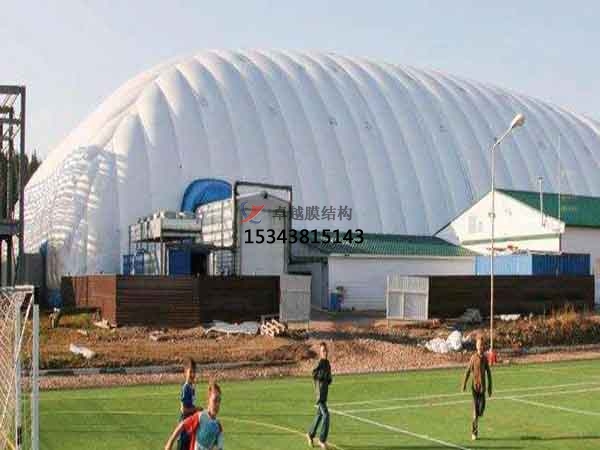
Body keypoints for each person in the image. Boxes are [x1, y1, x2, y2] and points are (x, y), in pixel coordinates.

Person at [165, 382, 224, 450]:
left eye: (219, 401)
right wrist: (170, 442)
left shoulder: (218, 426)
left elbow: (219, 447)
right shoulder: (201, 416)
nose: (217, 404)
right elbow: (183, 424)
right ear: (208, 400)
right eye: (215, 400)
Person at [462, 336, 493, 440]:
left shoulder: (485, 358)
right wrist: (464, 384)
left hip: (482, 389)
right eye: (479, 345)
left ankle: (478, 414)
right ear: (476, 346)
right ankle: (474, 432)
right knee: (475, 413)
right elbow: (467, 371)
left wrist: (490, 387)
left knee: (481, 410)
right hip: (475, 388)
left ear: (483, 346)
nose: (480, 346)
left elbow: (488, 373)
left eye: (482, 345)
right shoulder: (473, 358)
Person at [307, 342, 332, 449]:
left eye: (326, 350)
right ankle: (322, 440)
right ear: (320, 352)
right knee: (326, 415)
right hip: (319, 396)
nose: (325, 352)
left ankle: (310, 434)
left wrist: (329, 378)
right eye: (323, 351)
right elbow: (313, 374)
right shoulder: (319, 363)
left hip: (324, 395)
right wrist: (322, 376)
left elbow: (329, 378)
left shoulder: (327, 363)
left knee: (319, 416)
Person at [178, 358, 199, 450]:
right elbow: (183, 409)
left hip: (190, 424)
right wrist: (196, 409)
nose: (193, 375)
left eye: (194, 372)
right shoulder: (186, 388)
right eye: (190, 372)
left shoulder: (192, 387)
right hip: (185, 426)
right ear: (185, 373)